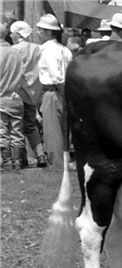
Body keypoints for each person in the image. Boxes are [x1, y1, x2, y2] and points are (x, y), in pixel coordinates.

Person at [9, 20, 47, 168]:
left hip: (16, 92)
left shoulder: (13, 50)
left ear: (17, 34)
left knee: (16, 127)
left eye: (12, 33)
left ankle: (19, 159)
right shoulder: (39, 49)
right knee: (31, 126)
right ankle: (40, 155)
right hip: (33, 93)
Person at [36, 13, 72, 168]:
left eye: (41, 30)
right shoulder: (64, 50)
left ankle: (56, 162)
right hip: (64, 90)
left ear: (49, 32)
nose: (38, 32)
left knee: (52, 129)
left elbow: (56, 76)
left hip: (53, 91)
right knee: (64, 129)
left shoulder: (48, 50)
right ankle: (63, 160)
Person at [0, 23, 26, 170]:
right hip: (16, 97)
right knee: (17, 132)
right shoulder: (16, 52)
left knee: (2, 131)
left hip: (2, 96)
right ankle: (18, 161)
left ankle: (6, 161)